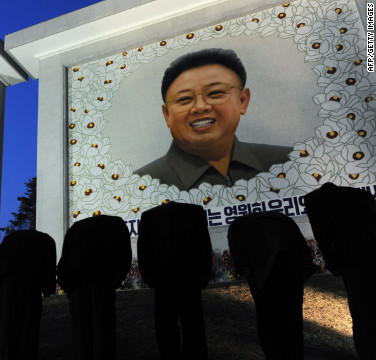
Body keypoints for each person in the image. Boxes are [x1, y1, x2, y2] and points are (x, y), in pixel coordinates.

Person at [135, 48, 292, 190]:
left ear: (243, 101)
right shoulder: (141, 185)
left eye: (215, 93)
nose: (200, 107)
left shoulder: (288, 162)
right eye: (184, 99)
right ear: (167, 115)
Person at [227, 212, 315, 359]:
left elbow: (239, 256)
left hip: (264, 275)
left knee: (268, 322)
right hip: (289, 272)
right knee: (293, 321)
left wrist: (245, 269)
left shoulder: (238, 225)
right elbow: (300, 244)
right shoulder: (283, 219)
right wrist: (305, 268)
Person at [304, 182, 376, 359]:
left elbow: (322, 233)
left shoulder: (315, 200)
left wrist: (332, 262)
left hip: (354, 259)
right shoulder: (360, 195)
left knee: (362, 312)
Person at [137, 202, 212, 359]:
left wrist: (148, 276)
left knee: (166, 326)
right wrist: (204, 273)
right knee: (194, 323)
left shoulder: (149, 216)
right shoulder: (195, 212)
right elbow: (204, 243)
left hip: (163, 277)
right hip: (189, 274)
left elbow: (143, 249)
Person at [57, 215, 132, 360]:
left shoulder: (76, 228)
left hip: (78, 278)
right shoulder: (115, 224)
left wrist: (65, 282)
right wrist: (119, 276)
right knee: (103, 326)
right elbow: (124, 251)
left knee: (81, 330)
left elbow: (64, 258)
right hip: (102, 276)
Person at [0, 230, 56, 360]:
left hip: (8, 282)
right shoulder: (45, 239)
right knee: (29, 325)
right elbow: (49, 261)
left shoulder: (9, 239)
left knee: (8, 326)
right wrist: (48, 287)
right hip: (30, 282)